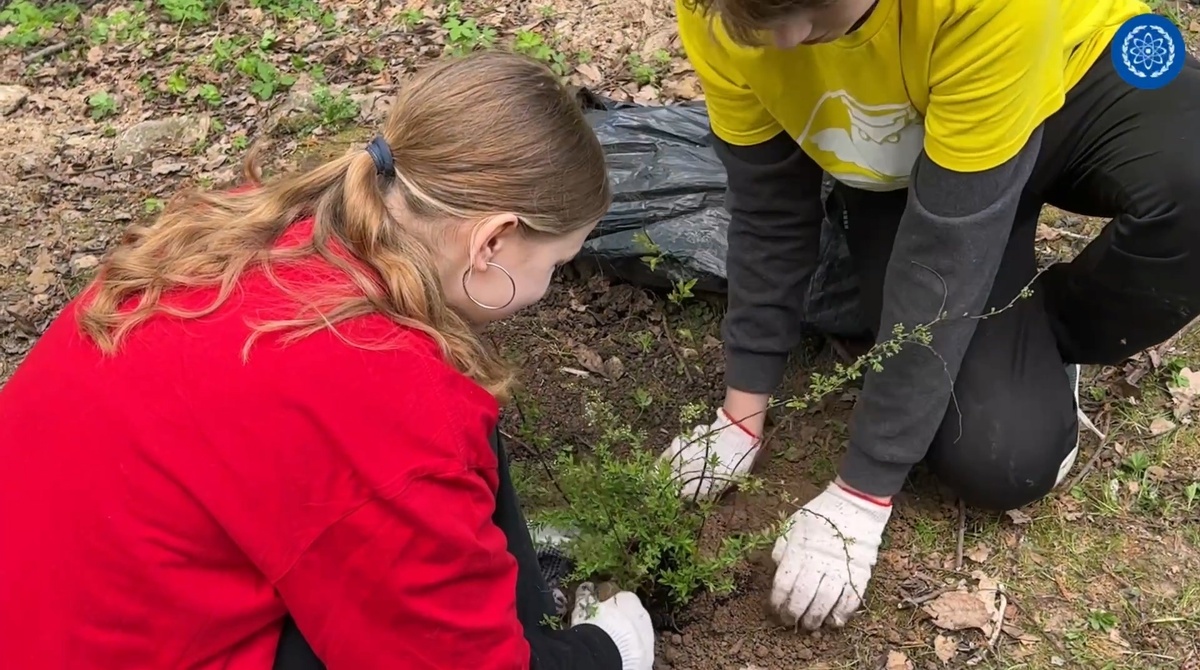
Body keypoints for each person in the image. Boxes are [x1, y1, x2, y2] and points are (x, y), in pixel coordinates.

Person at [0, 51, 655, 670]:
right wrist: (608, 652)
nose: (546, 288)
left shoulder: (263, 235)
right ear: (493, 241)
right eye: (555, 264)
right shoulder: (385, 392)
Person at [661, 0, 1200, 631]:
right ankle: (1012, 335)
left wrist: (863, 491)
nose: (784, 41)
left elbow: (943, 254)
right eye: (759, 19)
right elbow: (768, 210)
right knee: (1004, 459)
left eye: (811, 7)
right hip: (908, 153)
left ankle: (1052, 329)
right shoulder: (721, 12)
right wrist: (741, 413)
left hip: (1075, 61)